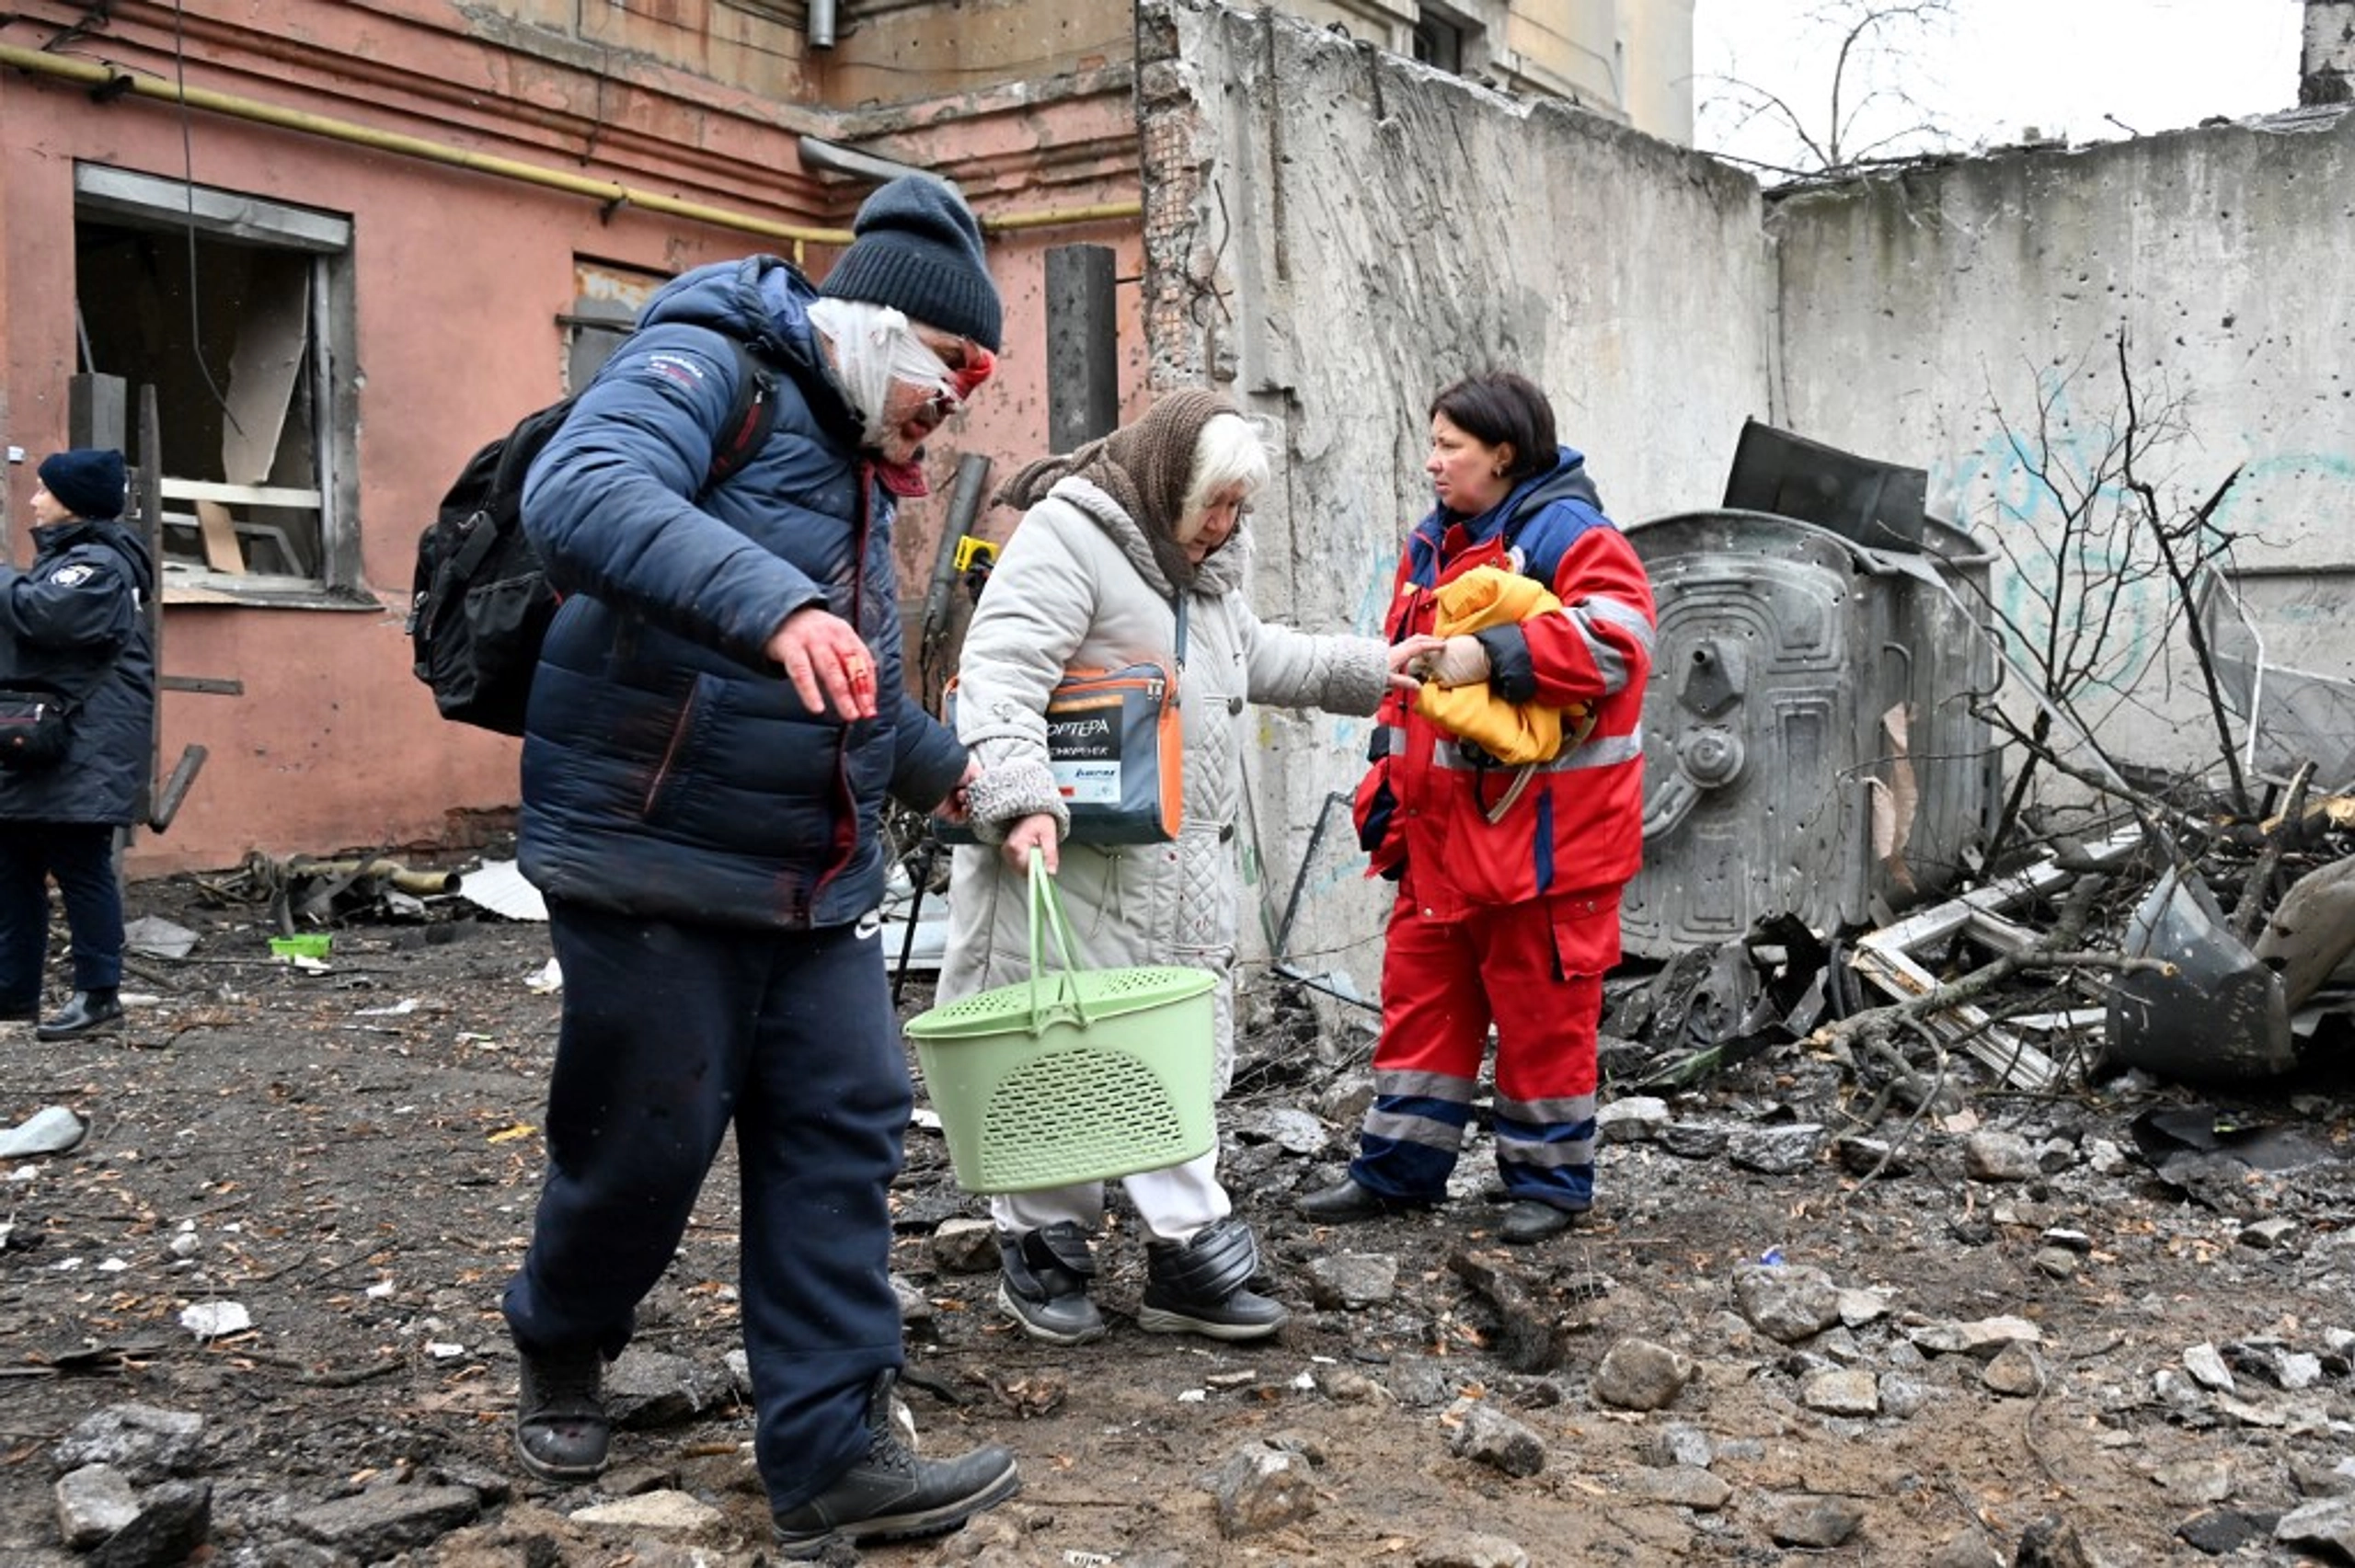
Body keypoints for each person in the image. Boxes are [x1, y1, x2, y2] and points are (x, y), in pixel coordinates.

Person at [501, 175, 1019, 1559]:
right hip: (651, 855)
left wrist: (955, 773)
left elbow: (843, 678)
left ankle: (831, 1451)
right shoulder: (703, 359)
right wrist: (775, 600)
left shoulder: (860, 468)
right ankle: (561, 1337)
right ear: (877, 330)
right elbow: (583, 492)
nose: (958, 402)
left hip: (812, 880)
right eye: (953, 369)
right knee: (644, 1150)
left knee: (846, 1126)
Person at [940, 389, 1436, 1345]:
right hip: (1067, 858)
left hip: (1173, 868)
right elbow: (999, 672)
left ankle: (1182, 1249)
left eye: (1237, 509)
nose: (1226, 524)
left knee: (1164, 1054)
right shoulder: (1068, 540)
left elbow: (1255, 656)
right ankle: (1045, 1242)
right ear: (1170, 484)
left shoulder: (1199, 576)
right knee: (1059, 1049)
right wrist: (1014, 796)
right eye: (1216, 504)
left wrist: (1376, 669)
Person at [1297, 371, 1656, 1245]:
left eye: (1449, 446)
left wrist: (1489, 653)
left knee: (1542, 1018)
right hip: (1441, 843)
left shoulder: (1572, 533)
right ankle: (1396, 1174)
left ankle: (1552, 1184)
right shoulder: (1435, 544)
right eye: (1433, 443)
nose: (1432, 462)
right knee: (1423, 1004)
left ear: (1503, 454)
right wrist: (1386, 803)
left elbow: (1623, 643)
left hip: (1545, 846)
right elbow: (1403, 693)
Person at [1, 448, 154, 1043]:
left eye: (43, 490)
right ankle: (13, 994)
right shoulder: (68, 559)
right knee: (13, 866)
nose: (34, 500)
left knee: (81, 868)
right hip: (48, 741)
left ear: (72, 502)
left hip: (82, 748)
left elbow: (47, 616)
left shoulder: (98, 565)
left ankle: (98, 994)